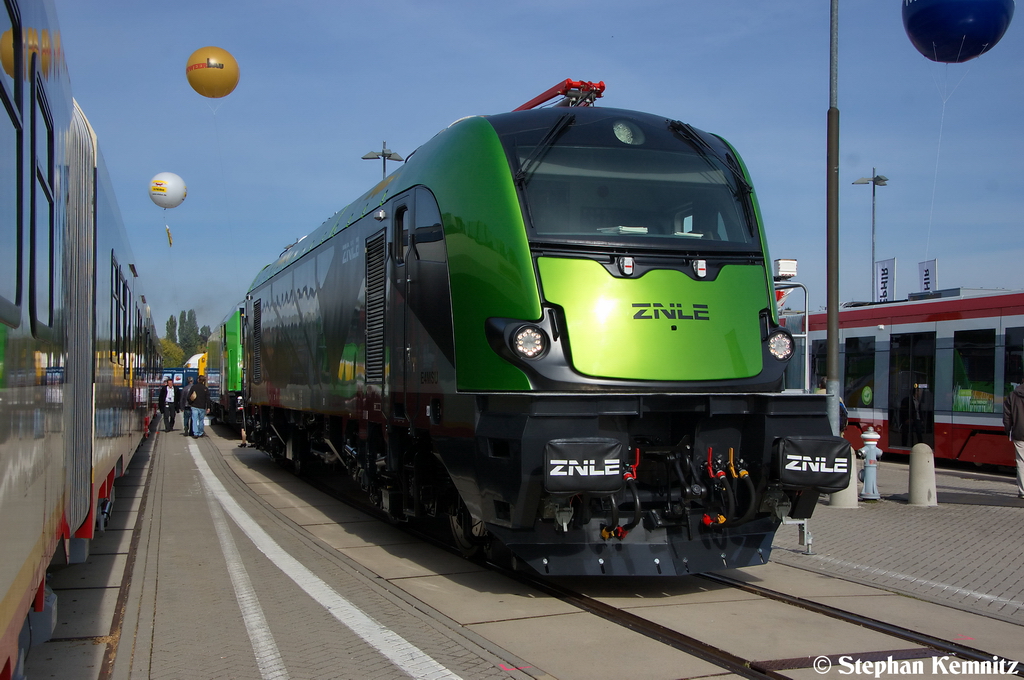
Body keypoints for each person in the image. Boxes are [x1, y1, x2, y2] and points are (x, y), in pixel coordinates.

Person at [1001, 382, 1024, 499]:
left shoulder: (1012, 395)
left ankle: (1023, 491)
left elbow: (1007, 417)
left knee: (1021, 462)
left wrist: (1008, 430)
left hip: (1019, 433)